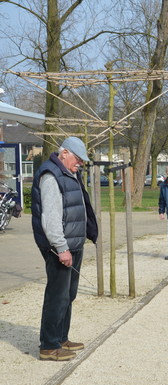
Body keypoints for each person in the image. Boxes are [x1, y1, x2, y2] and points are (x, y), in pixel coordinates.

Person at [31, 136, 98, 361]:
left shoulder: (70, 173)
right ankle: (49, 346)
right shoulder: (51, 176)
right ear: (64, 153)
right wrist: (61, 248)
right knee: (57, 296)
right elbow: (50, 219)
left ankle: (61, 337)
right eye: (78, 159)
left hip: (73, 243)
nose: (80, 164)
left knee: (68, 295)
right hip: (59, 247)